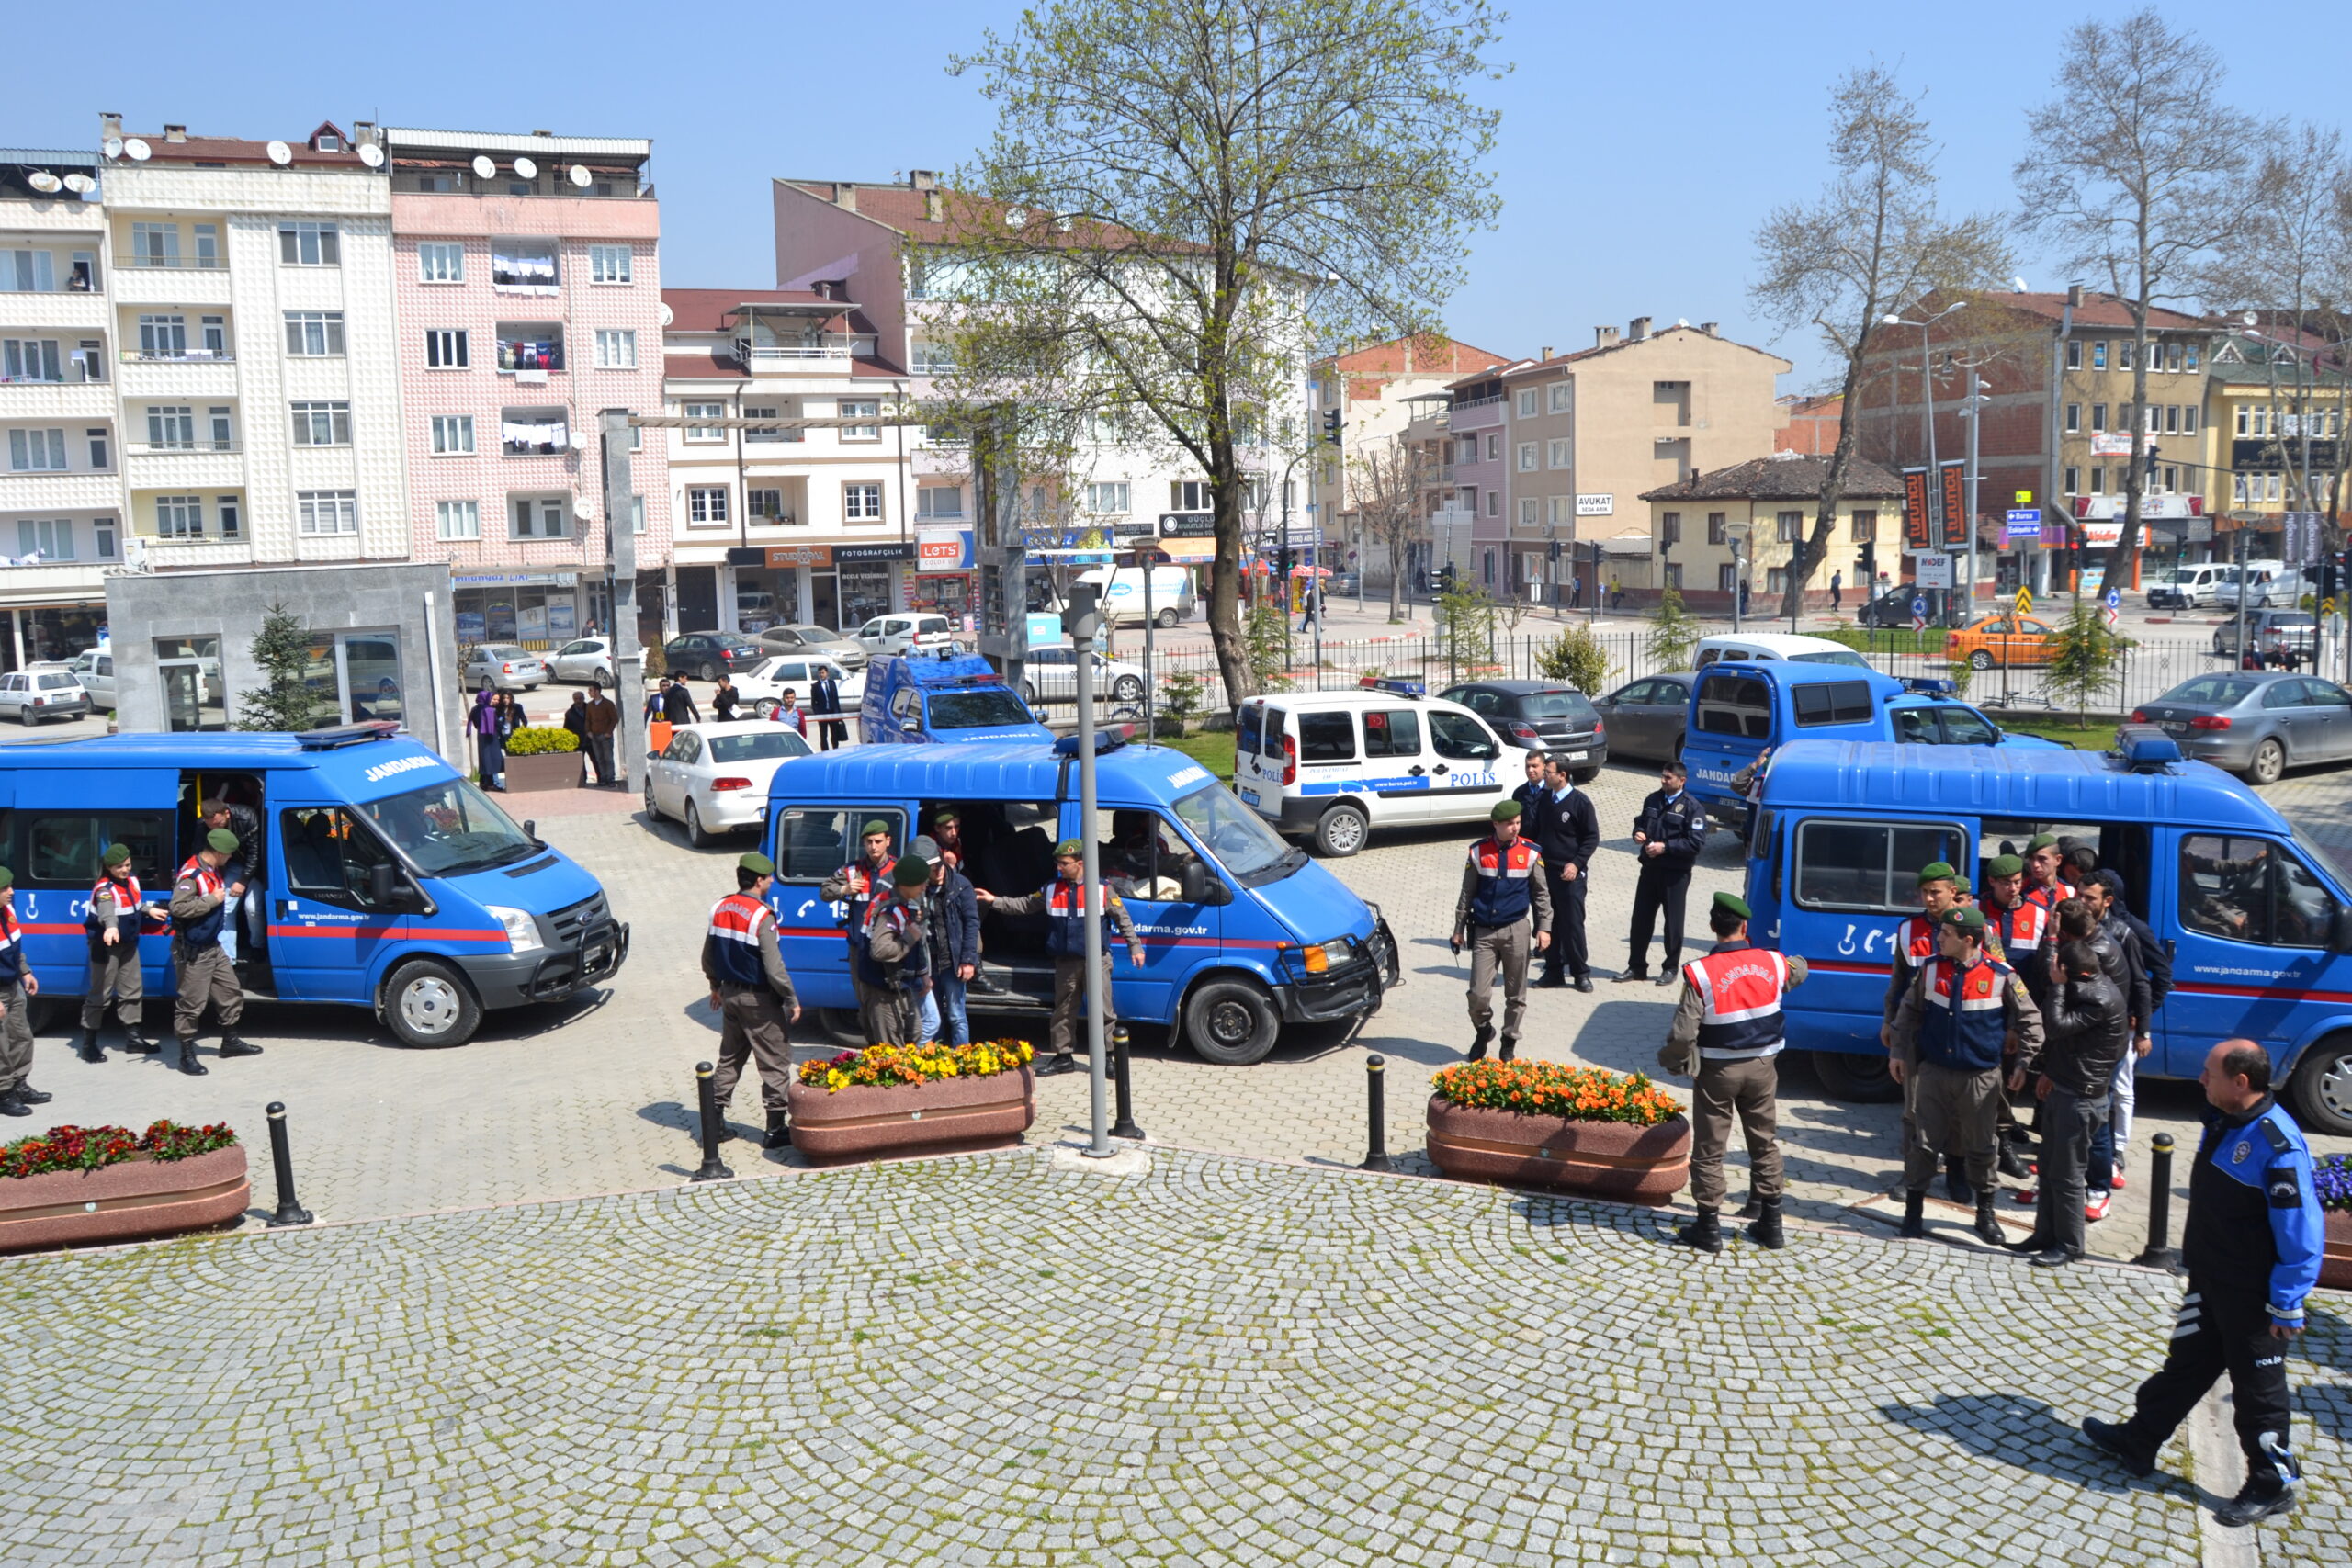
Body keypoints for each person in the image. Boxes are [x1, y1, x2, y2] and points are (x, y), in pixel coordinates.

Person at [2079, 1040, 2320, 1527]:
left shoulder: (2278, 1146)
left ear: (2241, 1082)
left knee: (2259, 1393)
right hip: (2212, 1281)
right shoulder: (2224, 1121)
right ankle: (2141, 1438)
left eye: (2210, 1073)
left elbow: (2302, 1234)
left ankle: (2272, 1484)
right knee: (2185, 1366)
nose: (2201, 1080)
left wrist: (2287, 1303)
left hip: (2254, 1298)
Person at [1887, 908, 2042, 1246]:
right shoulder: (1930, 970)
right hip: (1934, 1075)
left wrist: (2023, 1063)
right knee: (1923, 1145)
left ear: (1967, 940)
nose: (1938, 937)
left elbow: (2032, 1020)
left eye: (1945, 934)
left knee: (1982, 1147)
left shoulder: (2001, 975)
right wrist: (1898, 1052)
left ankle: (1984, 1213)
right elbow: (1908, 1012)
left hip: (1980, 1079)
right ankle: (1913, 1213)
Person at [1662, 892, 1806, 1252]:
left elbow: (1683, 1034)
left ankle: (1708, 1230)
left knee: (1711, 1148)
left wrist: (1674, 1062)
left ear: (1713, 927)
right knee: (1764, 1141)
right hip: (1763, 1067)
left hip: (1717, 1071)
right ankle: (1771, 1225)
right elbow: (1799, 970)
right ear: (1745, 927)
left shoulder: (1700, 972)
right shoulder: (1772, 963)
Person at [976, 841, 1146, 1077]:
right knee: (1063, 1011)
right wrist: (994, 900)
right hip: (1066, 962)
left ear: (1080, 863)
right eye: (1057, 863)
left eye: (1064, 864)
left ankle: (1107, 1058)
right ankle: (1063, 1057)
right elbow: (1024, 905)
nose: (1059, 868)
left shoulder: (1102, 889)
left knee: (1104, 1012)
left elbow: (1122, 918)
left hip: (1096, 961)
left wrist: (1135, 946)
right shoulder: (1050, 889)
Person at [2008, 939, 2125, 1267]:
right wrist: (2049, 1073)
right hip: (2065, 1089)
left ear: (2076, 973)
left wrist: (2057, 988)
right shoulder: (2086, 988)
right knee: (2048, 1167)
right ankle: (2044, 1234)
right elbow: (2072, 1044)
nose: (2052, 972)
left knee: (2069, 1175)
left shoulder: (2099, 998)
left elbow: (2057, 1028)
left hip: (2082, 1098)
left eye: (2057, 968)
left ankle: (2071, 1245)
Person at [702, 851, 799, 1150]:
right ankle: (774, 1130)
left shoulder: (719, 906)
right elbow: (774, 967)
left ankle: (714, 1123)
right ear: (758, 881)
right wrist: (791, 997)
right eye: (769, 878)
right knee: (774, 1061)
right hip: (759, 1001)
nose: (771, 882)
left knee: (730, 1058)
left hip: (729, 995)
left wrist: (716, 987)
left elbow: (708, 956)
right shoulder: (762, 915)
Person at [1450, 800, 1552, 1061]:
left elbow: (1541, 894)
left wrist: (1544, 928)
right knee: (1478, 994)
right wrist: (1458, 928)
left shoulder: (1531, 852)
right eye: (1509, 824)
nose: (1515, 828)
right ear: (1495, 824)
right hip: (1484, 932)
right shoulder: (1478, 852)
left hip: (1516, 930)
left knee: (1516, 994)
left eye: (1518, 823)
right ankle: (1483, 1030)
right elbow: (1467, 892)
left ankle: (1508, 1042)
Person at [1980, 852, 2049, 1176]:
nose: (2013, 888)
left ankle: (2004, 1138)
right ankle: (1987, 1144)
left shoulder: (2038, 914)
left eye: (2018, 882)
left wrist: (2017, 1026)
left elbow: (2036, 976)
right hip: (1981, 1013)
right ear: (1992, 882)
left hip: (2017, 1015)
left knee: (2010, 1081)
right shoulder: (1977, 913)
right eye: (2006, 883)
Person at [169, 828, 258, 1076]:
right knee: (191, 1004)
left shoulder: (211, 870)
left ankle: (230, 1042)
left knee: (230, 992)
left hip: (212, 946)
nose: (230, 858)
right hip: (194, 951)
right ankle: (186, 1055)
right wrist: (213, 900)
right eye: (228, 855)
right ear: (218, 853)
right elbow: (177, 907)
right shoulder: (191, 874)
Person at [1619, 761, 1707, 985]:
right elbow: (1641, 822)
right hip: (1650, 870)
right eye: (1663, 776)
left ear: (1682, 781)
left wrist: (1665, 847)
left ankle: (1670, 968)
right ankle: (1636, 967)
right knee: (1640, 920)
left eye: (1668, 777)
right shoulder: (1653, 799)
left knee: (1673, 923)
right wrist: (1638, 832)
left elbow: (1695, 843)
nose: (1663, 780)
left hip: (1675, 874)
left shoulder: (1692, 807)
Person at [80, 842, 166, 1063]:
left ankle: (134, 1039)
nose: (125, 870)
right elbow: (107, 910)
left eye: (127, 865)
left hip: (128, 944)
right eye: (119, 867)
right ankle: (88, 1044)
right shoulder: (104, 890)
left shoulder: (132, 881)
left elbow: (133, 904)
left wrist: (149, 909)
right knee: (100, 994)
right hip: (106, 946)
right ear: (108, 868)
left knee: (132, 991)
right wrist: (110, 926)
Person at [1528, 753, 1598, 991]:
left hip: (1570, 875)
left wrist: (1576, 864)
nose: (1544, 775)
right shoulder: (1545, 798)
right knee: (1549, 923)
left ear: (1562, 775)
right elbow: (1538, 830)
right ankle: (1553, 971)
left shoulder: (1580, 803)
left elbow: (1591, 838)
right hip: (1545, 872)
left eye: (1548, 772)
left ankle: (1580, 973)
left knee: (1572, 924)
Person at [820, 820, 898, 1031]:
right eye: (869, 842)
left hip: (888, 947)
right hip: (859, 947)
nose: (873, 846)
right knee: (863, 1001)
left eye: (878, 841)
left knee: (890, 1002)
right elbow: (825, 891)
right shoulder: (853, 869)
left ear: (888, 841)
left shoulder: (898, 869)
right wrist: (844, 889)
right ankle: (871, 1044)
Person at [862, 856, 936, 1046]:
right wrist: (909, 939)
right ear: (906, 884)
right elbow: (880, 950)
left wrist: (922, 974)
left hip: (901, 985)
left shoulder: (902, 904)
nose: (924, 886)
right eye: (921, 882)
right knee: (891, 1050)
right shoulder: (890, 909)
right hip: (884, 988)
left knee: (914, 1034)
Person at [0, 867, 49, 1118]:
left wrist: (26, 972)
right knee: (1, 1045)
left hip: (12, 985)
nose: (12, 892)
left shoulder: (7, 912)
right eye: (5, 888)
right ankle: (4, 1093)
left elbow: (14, 948)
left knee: (22, 1036)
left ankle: (19, 1084)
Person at [925, 840, 981, 1047]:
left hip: (953, 962)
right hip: (930, 963)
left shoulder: (961, 884)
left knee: (957, 1015)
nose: (938, 871)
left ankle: (962, 1059)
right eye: (931, 869)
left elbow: (972, 923)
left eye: (939, 866)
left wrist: (968, 960)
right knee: (933, 1016)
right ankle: (936, 1062)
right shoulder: (920, 888)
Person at [200, 794, 262, 963]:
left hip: (256, 868)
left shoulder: (247, 816)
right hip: (230, 864)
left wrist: (243, 881)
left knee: (252, 908)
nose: (216, 829)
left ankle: (258, 947)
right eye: (211, 826)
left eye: (219, 824)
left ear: (226, 813)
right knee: (225, 908)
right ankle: (229, 959)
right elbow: (200, 852)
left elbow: (255, 853)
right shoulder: (203, 825)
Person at [471, 686, 506, 791]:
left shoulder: (475, 709)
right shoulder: (489, 710)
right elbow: (497, 724)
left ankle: (483, 784)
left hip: (481, 737)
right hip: (491, 737)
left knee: (484, 760)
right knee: (492, 760)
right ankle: (491, 784)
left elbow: (475, 724)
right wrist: (502, 724)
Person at [583, 687, 619, 787]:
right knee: (599, 758)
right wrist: (588, 731)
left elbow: (614, 719)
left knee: (608, 758)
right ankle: (603, 778)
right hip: (594, 736)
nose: (589, 692)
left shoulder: (608, 703)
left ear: (597, 691)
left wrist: (609, 732)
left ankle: (611, 778)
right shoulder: (590, 705)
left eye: (591, 690)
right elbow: (587, 719)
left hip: (605, 736)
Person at [809, 665, 848, 751]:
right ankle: (825, 752)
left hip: (833, 713)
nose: (821, 675)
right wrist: (817, 714)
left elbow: (836, 699)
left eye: (823, 673)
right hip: (822, 715)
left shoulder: (832, 683)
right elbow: (813, 703)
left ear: (827, 673)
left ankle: (835, 750)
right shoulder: (815, 686)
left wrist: (839, 714)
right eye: (820, 673)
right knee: (823, 735)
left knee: (834, 734)